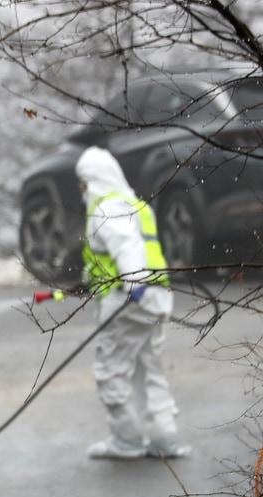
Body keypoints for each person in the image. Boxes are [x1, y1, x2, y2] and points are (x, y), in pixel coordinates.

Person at [75, 146, 189, 460]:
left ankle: (126, 440)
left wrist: (133, 283)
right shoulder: (136, 205)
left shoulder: (106, 208)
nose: (81, 190)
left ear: (92, 179)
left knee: (112, 368)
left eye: (82, 182)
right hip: (156, 298)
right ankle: (164, 437)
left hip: (128, 300)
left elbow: (127, 246)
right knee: (148, 367)